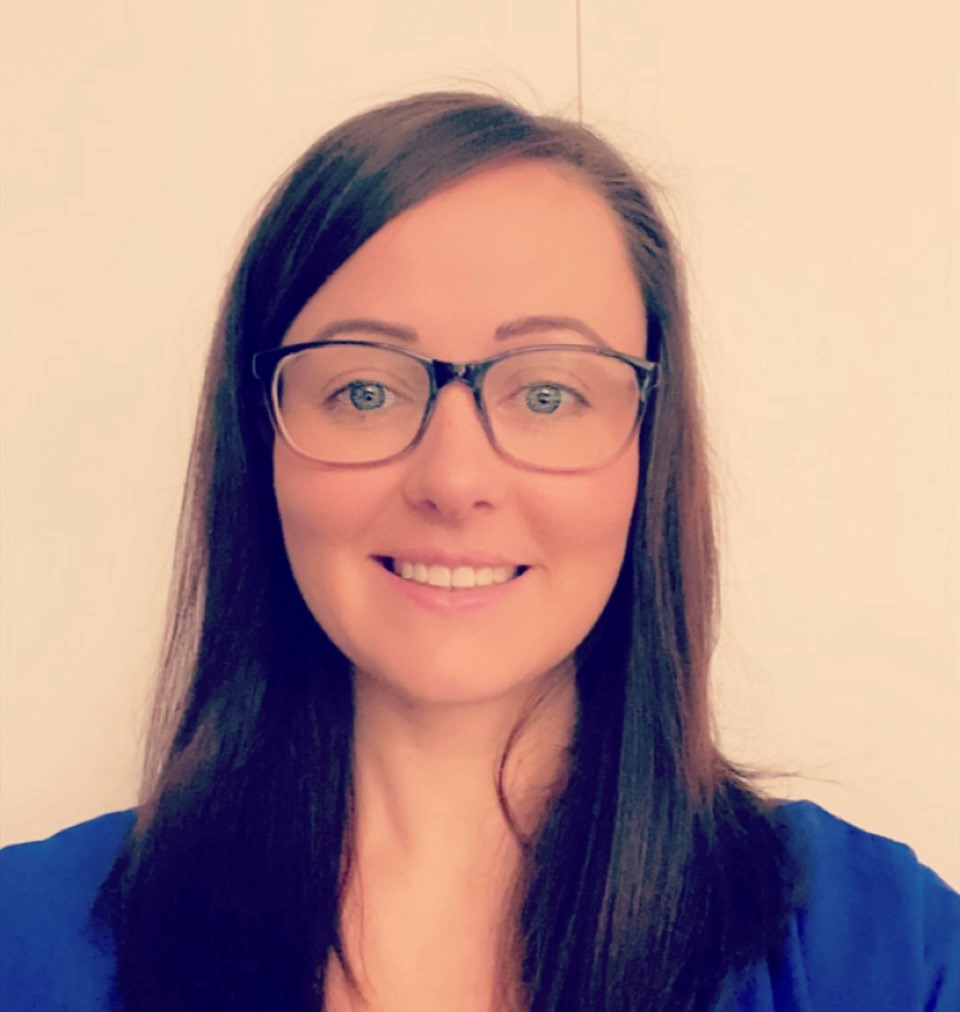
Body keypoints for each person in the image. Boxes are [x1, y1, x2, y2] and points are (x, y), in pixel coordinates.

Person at [1, 91, 957, 1012]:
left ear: (648, 451)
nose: (454, 482)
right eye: (364, 391)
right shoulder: (26, 940)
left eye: (548, 395)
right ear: (262, 444)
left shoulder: (879, 946)